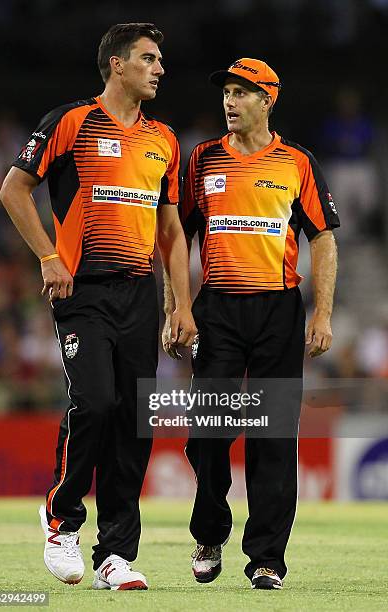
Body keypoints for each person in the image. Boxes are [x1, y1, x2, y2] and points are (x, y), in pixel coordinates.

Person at [0, 23, 197, 591]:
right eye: (149, 59)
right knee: (95, 403)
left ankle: (115, 553)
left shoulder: (163, 139)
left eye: (160, 60)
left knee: (134, 423)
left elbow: (172, 232)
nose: (159, 68)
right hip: (81, 290)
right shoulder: (69, 122)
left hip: (139, 293)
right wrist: (46, 256)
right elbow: (13, 189)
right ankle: (60, 520)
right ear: (117, 64)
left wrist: (180, 306)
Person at [163, 58, 339, 590]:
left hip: (278, 312)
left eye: (242, 92)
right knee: (208, 435)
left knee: (274, 438)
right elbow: (175, 237)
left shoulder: (297, 162)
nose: (230, 101)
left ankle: (267, 558)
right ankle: (210, 533)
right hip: (217, 310)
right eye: (227, 92)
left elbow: (324, 238)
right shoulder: (202, 160)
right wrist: (179, 306)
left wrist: (323, 312)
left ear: (269, 99)